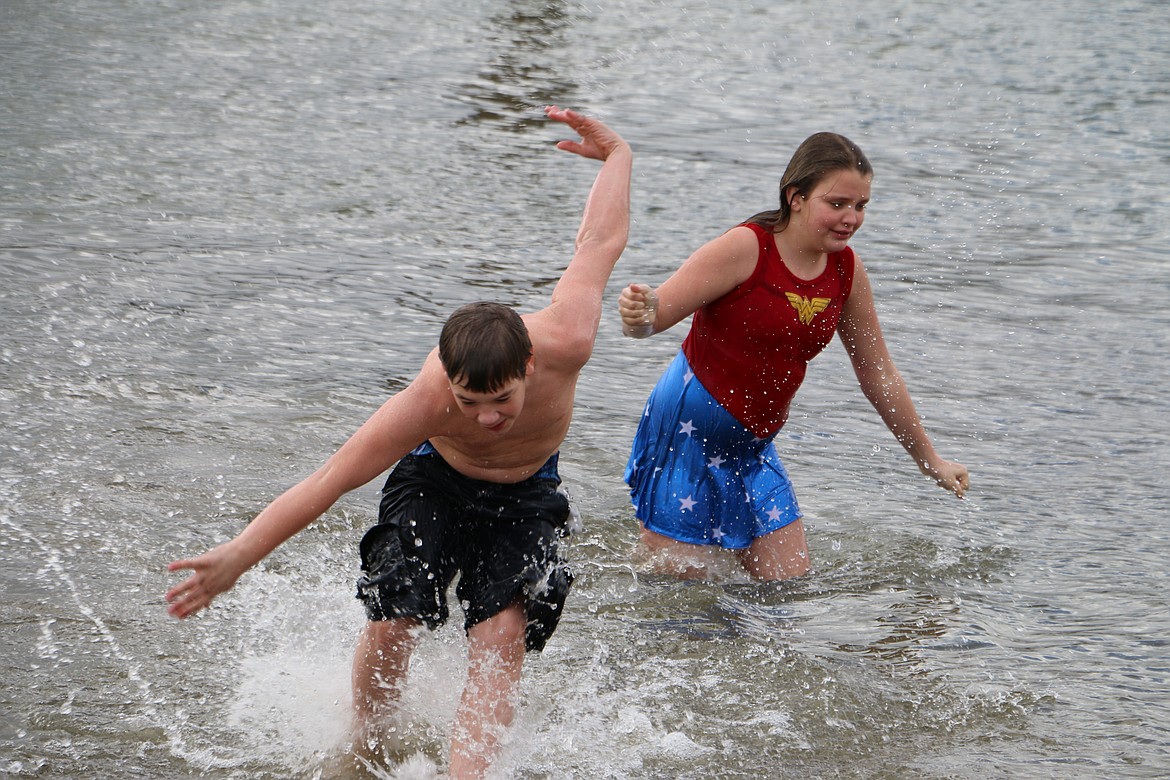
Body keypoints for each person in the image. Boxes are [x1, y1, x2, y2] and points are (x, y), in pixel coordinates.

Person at [165, 106, 632, 779]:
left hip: (529, 492)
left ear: (529, 368)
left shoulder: (567, 339)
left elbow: (598, 243)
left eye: (501, 400)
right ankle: (365, 745)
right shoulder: (426, 403)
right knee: (395, 617)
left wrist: (618, 157)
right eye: (472, 404)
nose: (489, 418)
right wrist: (237, 557)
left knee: (500, 634)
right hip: (435, 480)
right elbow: (329, 480)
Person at [617, 131, 968, 582]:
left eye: (860, 206)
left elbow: (877, 373)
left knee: (787, 588)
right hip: (688, 437)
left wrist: (929, 460)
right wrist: (637, 313)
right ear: (796, 197)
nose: (851, 219)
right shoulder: (746, 248)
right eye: (837, 203)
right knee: (680, 600)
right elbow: (654, 316)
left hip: (752, 447)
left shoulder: (846, 271)